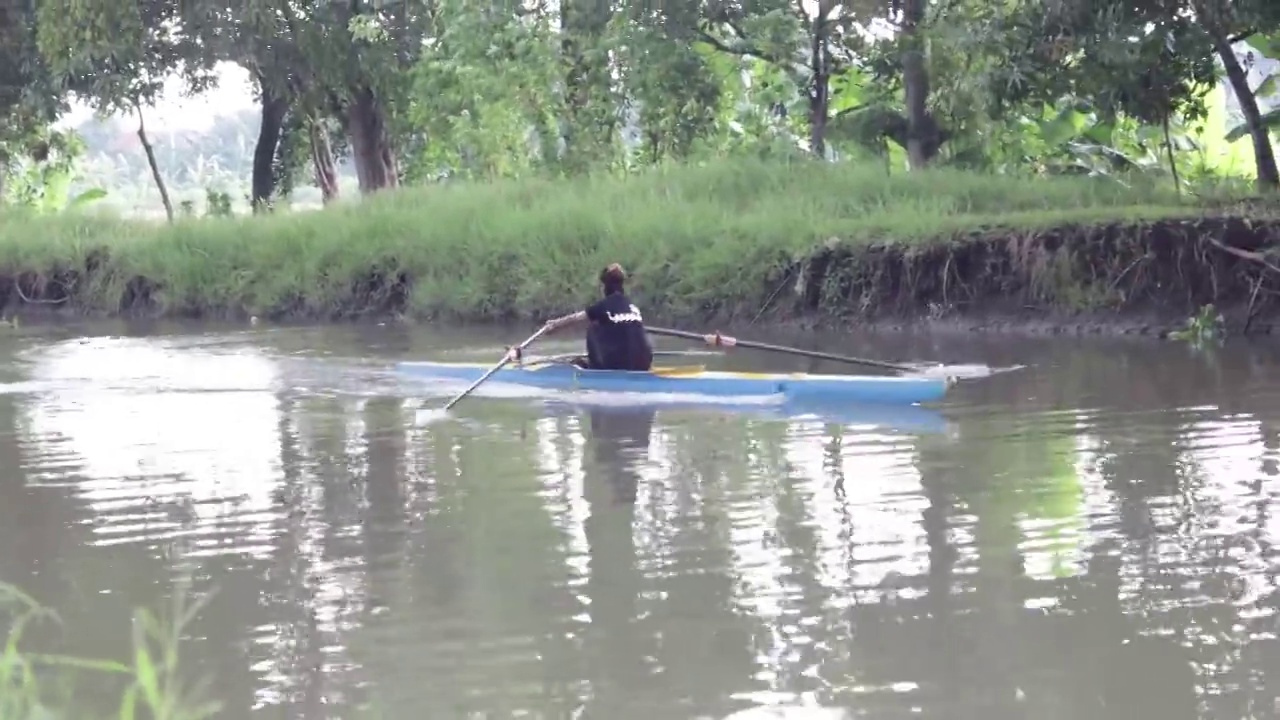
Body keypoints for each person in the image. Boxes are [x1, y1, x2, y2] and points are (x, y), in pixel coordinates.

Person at [514, 263, 654, 371]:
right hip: (643, 365)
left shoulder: (603, 306)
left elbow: (574, 319)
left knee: (593, 326)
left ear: (603, 286)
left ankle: (595, 369)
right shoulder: (632, 307)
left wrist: (554, 325)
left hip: (619, 366)